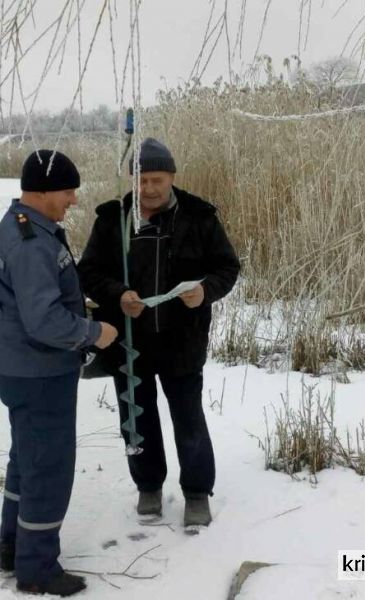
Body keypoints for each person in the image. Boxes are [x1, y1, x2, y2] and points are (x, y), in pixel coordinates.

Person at [78, 137, 240, 527]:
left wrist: (204, 292)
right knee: (137, 419)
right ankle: (148, 485)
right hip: (129, 343)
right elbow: (88, 273)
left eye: (157, 180)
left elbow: (227, 269)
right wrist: (119, 296)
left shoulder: (199, 217)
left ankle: (197, 492)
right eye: (142, 181)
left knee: (189, 418)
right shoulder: (112, 219)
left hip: (182, 341)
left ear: (171, 177)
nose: (149, 189)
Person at [0, 150, 118, 596]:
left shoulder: (19, 226)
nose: (72, 199)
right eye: (68, 190)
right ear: (44, 190)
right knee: (48, 468)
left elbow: (30, 303)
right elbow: (43, 321)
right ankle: (37, 568)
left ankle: (12, 546)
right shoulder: (31, 242)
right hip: (39, 371)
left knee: (26, 461)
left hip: (19, 367)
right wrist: (92, 332)